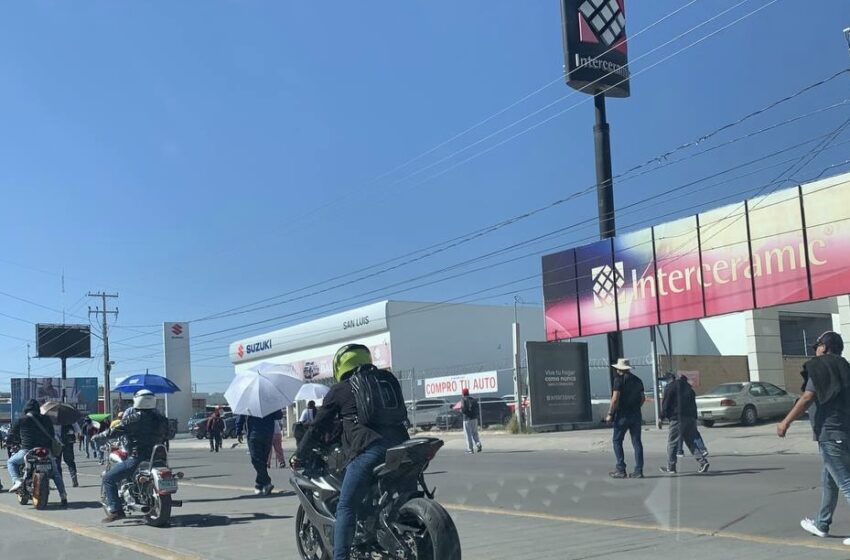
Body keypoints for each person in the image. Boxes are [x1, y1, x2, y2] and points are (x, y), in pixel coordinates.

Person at [295, 344, 409, 560]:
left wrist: (300, 454)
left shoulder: (340, 390)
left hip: (371, 450)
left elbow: (318, 426)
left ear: (340, 365)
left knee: (346, 506)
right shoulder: (385, 381)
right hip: (404, 446)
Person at [777, 331, 850, 543]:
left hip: (830, 433)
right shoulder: (845, 367)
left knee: (845, 482)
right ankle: (822, 524)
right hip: (845, 432)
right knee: (829, 480)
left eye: (817, 345)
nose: (815, 349)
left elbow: (808, 397)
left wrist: (785, 422)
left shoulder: (819, 367)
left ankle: (822, 523)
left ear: (825, 347)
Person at [97, 390, 169, 523]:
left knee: (108, 478)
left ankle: (116, 511)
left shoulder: (134, 417)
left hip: (137, 457)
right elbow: (170, 434)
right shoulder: (161, 418)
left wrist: (98, 436)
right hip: (158, 458)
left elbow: (115, 431)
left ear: (137, 400)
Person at [6, 399, 68, 507]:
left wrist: (8, 442)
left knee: (11, 462)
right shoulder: (46, 418)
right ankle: (63, 496)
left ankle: (17, 481)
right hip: (45, 451)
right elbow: (52, 434)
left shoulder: (21, 419)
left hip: (27, 450)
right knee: (55, 473)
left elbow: (12, 434)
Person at [659, 372, 710, 474]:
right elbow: (693, 405)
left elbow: (666, 404)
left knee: (672, 442)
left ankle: (671, 466)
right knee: (690, 441)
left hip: (677, 418)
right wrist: (694, 418)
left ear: (669, 379)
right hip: (690, 418)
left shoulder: (670, 387)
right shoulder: (689, 388)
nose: (664, 383)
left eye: (665, 381)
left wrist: (661, 417)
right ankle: (702, 462)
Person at [606, 358, 646, 479]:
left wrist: (610, 414)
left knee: (617, 441)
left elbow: (615, 399)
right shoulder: (638, 380)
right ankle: (638, 470)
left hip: (622, 415)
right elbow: (643, 398)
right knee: (637, 442)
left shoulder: (618, 380)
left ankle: (621, 468)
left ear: (619, 369)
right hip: (636, 414)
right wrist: (636, 407)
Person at [236, 408, 283, 495]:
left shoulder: (248, 402)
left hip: (257, 435)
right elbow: (279, 416)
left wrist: (238, 431)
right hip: (265, 433)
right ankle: (259, 484)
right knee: (261, 461)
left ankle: (266, 482)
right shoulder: (269, 402)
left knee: (257, 460)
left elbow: (240, 416)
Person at [55, 420, 81, 487]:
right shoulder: (69, 418)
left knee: (57, 463)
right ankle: (74, 478)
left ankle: (60, 482)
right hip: (68, 442)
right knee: (70, 461)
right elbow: (78, 430)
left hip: (57, 443)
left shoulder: (53, 418)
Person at [460, 388, 482, 454]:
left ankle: (470, 449)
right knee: (475, 433)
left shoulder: (463, 399)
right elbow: (477, 408)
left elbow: (463, 409)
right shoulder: (473, 400)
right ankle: (478, 444)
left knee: (468, 434)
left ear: (463, 393)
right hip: (474, 418)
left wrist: (460, 410)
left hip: (467, 419)